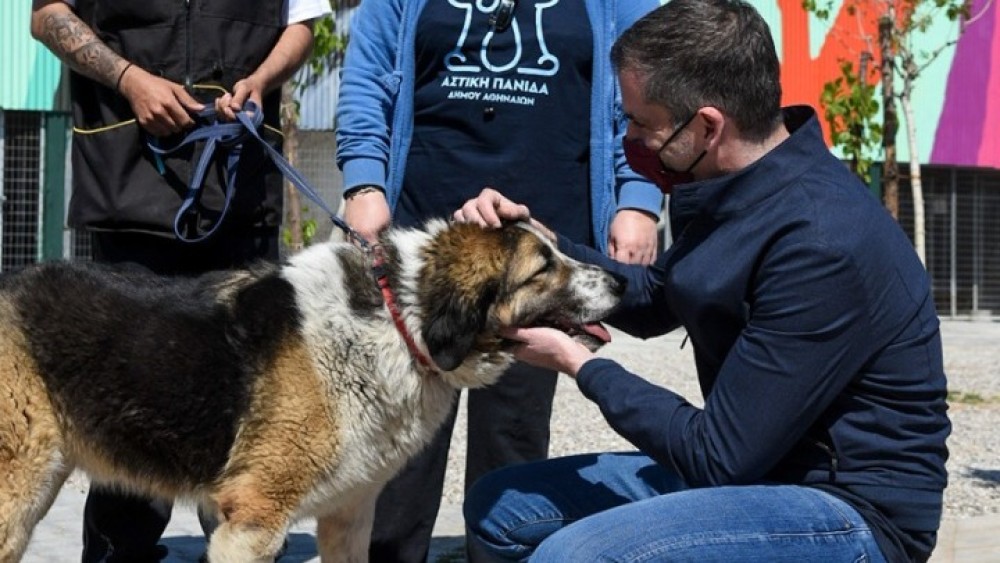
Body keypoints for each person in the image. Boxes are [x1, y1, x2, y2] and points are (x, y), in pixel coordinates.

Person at [453, 0, 951, 561]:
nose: (632, 140)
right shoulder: (733, 187)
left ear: (708, 125)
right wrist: (541, 240)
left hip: (846, 507)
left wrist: (579, 362)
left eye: (642, 123)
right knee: (500, 507)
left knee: (574, 556)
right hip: (758, 471)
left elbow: (717, 455)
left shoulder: (818, 240)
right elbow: (652, 298)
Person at [334, 0, 663, 560]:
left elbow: (650, 83)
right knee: (399, 435)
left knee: (513, 435)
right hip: (425, 242)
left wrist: (638, 199)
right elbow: (368, 75)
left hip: (545, 246)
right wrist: (364, 182)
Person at [29, 0, 329, 560]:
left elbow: (304, 24)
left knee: (248, 399)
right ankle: (119, 551)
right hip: (127, 179)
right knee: (126, 393)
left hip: (240, 184)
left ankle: (244, 544)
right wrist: (130, 79)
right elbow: (45, 14)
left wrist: (261, 80)